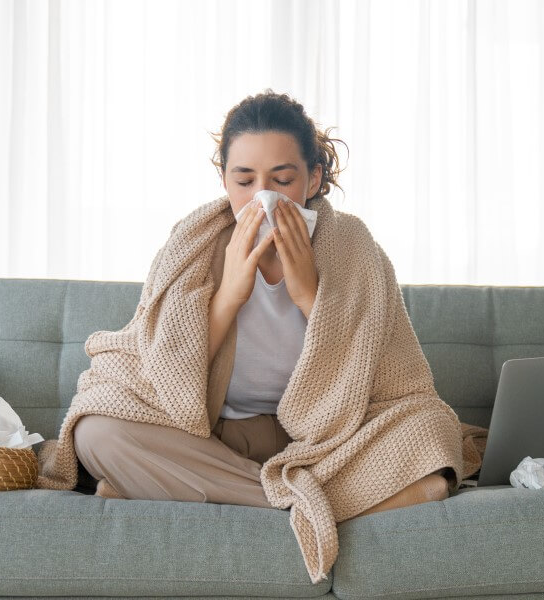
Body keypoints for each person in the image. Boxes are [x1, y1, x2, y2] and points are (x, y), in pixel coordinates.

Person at [72, 90, 450, 519]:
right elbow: (166, 378)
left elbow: (385, 380)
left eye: (282, 180)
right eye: (245, 180)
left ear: (312, 179)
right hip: (218, 437)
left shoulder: (353, 247)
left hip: (327, 442)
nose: (262, 197)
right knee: (97, 432)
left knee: (432, 430)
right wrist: (230, 293)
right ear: (224, 181)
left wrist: (310, 294)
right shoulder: (193, 243)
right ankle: (314, 504)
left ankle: (173, 488)